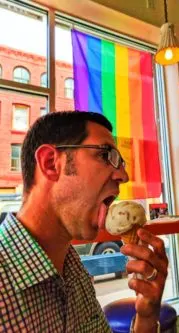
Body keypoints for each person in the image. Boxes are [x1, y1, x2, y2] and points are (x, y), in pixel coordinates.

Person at [0, 111, 168, 333]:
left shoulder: (75, 270)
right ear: (51, 163)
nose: (123, 176)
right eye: (105, 155)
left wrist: (146, 317)